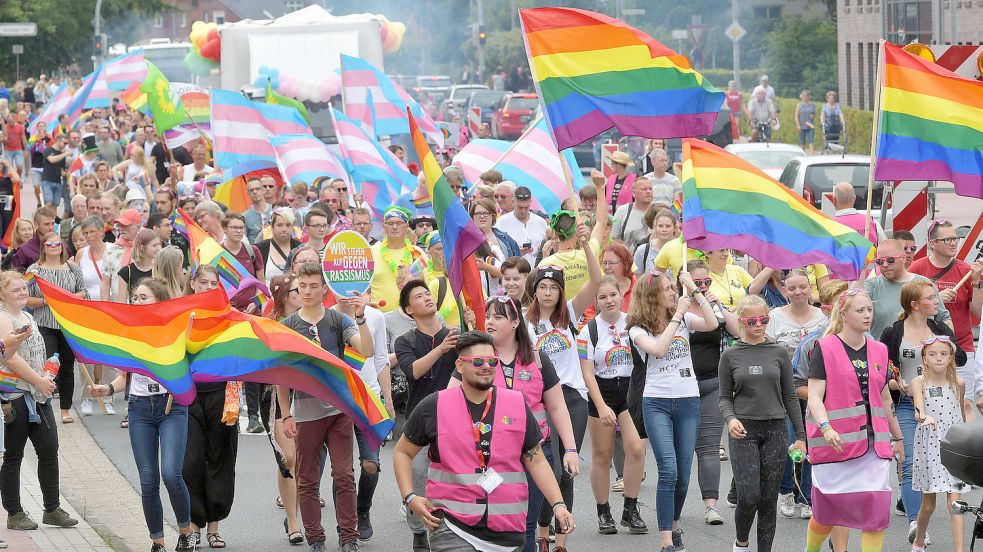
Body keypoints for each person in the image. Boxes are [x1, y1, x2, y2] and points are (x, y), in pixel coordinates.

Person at [394, 330, 575, 552]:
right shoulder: (434, 406)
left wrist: (558, 504)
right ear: (460, 366)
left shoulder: (517, 404)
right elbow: (402, 452)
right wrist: (410, 496)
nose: (486, 366)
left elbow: (535, 460)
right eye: (478, 361)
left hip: (508, 530)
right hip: (452, 524)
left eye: (492, 361)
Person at [450, 296, 581, 551]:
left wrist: (571, 449)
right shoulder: (477, 359)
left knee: (526, 526)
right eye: (488, 316)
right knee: (494, 526)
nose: (489, 322)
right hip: (489, 458)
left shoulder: (537, 358)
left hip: (535, 454)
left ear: (514, 322)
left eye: (498, 317)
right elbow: (450, 403)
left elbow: (556, 406)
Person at [89, 278, 196, 552]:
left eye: (143, 297)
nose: (136, 301)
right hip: (139, 409)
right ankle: (157, 541)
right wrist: (108, 388)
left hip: (171, 407)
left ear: (159, 301)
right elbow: (124, 377)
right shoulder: (130, 334)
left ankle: (186, 532)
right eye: (135, 297)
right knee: (148, 480)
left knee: (171, 474)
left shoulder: (175, 331)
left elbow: (191, 365)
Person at [279, 262, 373, 552]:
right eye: (301, 286)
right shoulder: (289, 326)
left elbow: (366, 350)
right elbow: (281, 376)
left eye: (312, 286)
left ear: (324, 289)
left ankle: (349, 537)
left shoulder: (337, 320)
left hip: (339, 410)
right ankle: (315, 539)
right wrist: (286, 414)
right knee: (307, 480)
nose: (306, 291)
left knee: (344, 475)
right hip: (305, 413)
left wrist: (360, 317)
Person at [804, 289, 905, 552]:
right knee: (827, 515)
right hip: (835, 445)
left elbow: (884, 399)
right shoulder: (824, 348)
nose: (867, 315)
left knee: (875, 511)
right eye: (860, 310)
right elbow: (815, 397)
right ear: (844, 314)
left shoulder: (880, 350)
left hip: (874, 445)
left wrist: (898, 438)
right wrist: (826, 429)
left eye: (869, 309)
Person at [627, 271, 718, 552]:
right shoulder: (637, 328)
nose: (672, 293)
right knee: (668, 470)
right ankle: (666, 538)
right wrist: (678, 315)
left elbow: (713, 323)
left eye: (673, 288)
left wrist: (695, 291)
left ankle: (675, 523)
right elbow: (659, 349)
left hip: (688, 399)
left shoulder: (685, 318)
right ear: (652, 294)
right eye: (667, 289)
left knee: (683, 475)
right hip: (657, 402)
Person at [877, 279, 963, 544]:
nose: (937, 301)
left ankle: (920, 516)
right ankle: (915, 522)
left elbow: (959, 360)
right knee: (911, 461)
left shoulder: (938, 327)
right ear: (915, 304)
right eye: (931, 298)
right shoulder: (894, 332)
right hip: (907, 401)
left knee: (945, 463)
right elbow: (883, 371)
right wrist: (896, 383)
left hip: (940, 404)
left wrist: (946, 346)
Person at [527, 243, 601, 551]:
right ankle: (542, 529)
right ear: (535, 291)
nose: (547, 293)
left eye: (553, 288)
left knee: (568, 471)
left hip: (573, 398)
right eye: (542, 287)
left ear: (560, 292)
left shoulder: (568, 314)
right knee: (551, 469)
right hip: (542, 400)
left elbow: (596, 280)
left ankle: (560, 541)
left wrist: (585, 244)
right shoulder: (524, 321)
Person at [719, 294, 807, 552]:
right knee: (748, 496)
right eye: (752, 320)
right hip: (743, 429)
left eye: (764, 319)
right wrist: (730, 418)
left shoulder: (778, 351)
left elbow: (790, 396)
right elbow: (724, 397)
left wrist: (800, 436)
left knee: (768, 499)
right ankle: (741, 542)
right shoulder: (730, 355)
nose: (759, 325)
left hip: (775, 428)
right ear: (741, 321)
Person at [0, 271, 77, 532]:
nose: (22, 293)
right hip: (16, 396)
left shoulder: (29, 316)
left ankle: (52, 508)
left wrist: (47, 374)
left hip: (38, 394)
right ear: (2, 295)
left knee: (49, 449)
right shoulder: (3, 318)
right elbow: (10, 357)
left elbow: (37, 353)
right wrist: (38, 380)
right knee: (14, 455)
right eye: (15, 290)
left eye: (24, 289)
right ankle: (15, 512)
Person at [393, 279, 461, 551]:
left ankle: (453, 533)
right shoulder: (404, 341)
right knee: (418, 479)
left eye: (427, 294)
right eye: (418, 297)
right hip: (420, 421)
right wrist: (442, 348)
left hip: (456, 419)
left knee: (456, 480)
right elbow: (413, 371)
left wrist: (472, 325)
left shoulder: (457, 334)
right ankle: (418, 531)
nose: (426, 298)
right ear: (409, 310)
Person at [578, 276, 648, 535]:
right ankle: (603, 511)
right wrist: (601, 405)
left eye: (613, 295)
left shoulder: (633, 323)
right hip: (602, 391)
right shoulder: (589, 330)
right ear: (595, 302)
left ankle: (630, 509)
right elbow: (587, 373)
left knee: (636, 449)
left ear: (621, 294)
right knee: (602, 456)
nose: (609, 301)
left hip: (630, 391)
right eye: (602, 297)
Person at [764, 270, 827, 520]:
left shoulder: (822, 319)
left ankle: (806, 497)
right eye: (792, 288)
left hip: (814, 387)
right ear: (784, 291)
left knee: (813, 440)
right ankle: (786, 490)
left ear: (811, 288)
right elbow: (766, 350)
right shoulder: (775, 317)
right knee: (790, 441)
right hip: (783, 388)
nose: (798, 292)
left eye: (802, 287)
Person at [183, 266, 237, 549]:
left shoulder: (226, 315)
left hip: (221, 395)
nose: (206, 286)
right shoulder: (181, 314)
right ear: (192, 283)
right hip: (189, 396)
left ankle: (214, 527)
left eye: (212, 283)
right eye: (202, 282)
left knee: (220, 458)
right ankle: (193, 526)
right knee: (190, 461)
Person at [683, 260, 740, 526]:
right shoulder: (676, 308)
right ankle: (673, 507)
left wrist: (717, 305)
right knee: (680, 451)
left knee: (708, 448)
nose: (703, 287)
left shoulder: (713, 307)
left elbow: (737, 331)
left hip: (712, 383)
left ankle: (710, 507)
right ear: (685, 281)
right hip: (681, 387)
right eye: (698, 282)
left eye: (707, 282)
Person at [909, 219, 983, 421]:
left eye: (955, 238)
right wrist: (936, 300)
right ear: (932, 243)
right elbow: (907, 307)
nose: (953, 243)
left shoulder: (965, 270)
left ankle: (965, 450)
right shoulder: (917, 269)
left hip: (961, 346)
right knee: (931, 404)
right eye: (947, 239)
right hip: (927, 347)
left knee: (965, 402)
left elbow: (976, 311)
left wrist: (976, 282)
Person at [910, 336, 968, 552]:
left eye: (943, 354)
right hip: (930, 444)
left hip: (954, 445)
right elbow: (918, 409)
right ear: (924, 358)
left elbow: (961, 414)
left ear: (951, 358)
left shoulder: (958, 383)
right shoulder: (919, 382)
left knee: (956, 503)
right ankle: (918, 541)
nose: (938, 358)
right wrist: (924, 417)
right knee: (928, 505)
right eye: (932, 354)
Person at [25, 233, 87, 424]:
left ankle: (65, 410)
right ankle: (44, 406)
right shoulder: (34, 270)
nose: (53, 246)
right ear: (43, 247)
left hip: (68, 325)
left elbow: (84, 291)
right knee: (47, 367)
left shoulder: (72, 267)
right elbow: (25, 298)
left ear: (62, 246)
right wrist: (47, 301)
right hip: (45, 325)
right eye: (49, 243)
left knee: (67, 368)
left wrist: (68, 299)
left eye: (57, 243)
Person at [267, 273, 305, 546]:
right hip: (275, 397)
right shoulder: (270, 325)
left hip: (307, 396)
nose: (304, 292)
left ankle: (301, 514)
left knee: (303, 460)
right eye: (297, 289)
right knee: (288, 459)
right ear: (285, 295)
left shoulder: (311, 321)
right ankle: (293, 521)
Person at [864, 239, 950, 340]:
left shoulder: (923, 284)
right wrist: (862, 269)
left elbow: (944, 319)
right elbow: (851, 308)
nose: (885, 265)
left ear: (904, 258)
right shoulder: (872, 285)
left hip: (921, 352)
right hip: (884, 353)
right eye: (879, 261)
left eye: (890, 260)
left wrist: (947, 346)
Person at [369, 207, 423, 313]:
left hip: (413, 316)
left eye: (399, 223)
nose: (394, 227)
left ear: (407, 225)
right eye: (390, 223)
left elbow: (426, 286)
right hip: (381, 316)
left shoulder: (417, 253)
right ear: (384, 226)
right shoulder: (371, 252)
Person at [495, 186, 548, 267]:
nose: (523, 211)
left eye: (526, 207)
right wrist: (515, 252)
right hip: (513, 272)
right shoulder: (501, 223)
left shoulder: (541, 222)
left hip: (537, 272)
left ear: (530, 202)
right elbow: (497, 251)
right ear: (513, 202)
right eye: (520, 207)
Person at [117, 228, 161, 304]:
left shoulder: (160, 268)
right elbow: (122, 303)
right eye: (154, 245)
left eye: (159, 244)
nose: (159, 248)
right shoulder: (126, 272)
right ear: (142, 247)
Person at [257, 208, 301, 284]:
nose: (284, 229)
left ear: (292, 227)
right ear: (272, 227)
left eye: (288, 225)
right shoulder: (260, 249)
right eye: (279, 225)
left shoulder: (299, 248)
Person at [611, 178, 653, 253]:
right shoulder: (622, 211)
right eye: (644, 189)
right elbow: (614, 239)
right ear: (633, 193)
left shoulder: (659, 211)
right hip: (628, 260)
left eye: (650, 189)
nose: (648, 191)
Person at [221, 213, 265, 283]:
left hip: (252, 293)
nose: (239, 231)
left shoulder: (253, 251)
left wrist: (256, 294)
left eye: (241, 228)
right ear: (225, 229)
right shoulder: (219, 252)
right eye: (234, 227)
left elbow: (261, 283)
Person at [634, 208, 677, 276]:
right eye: (660, 226)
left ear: (674, 228)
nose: (664, 229)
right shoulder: (643, 250)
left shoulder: (682, 249)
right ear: (655, 227)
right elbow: (637, 278)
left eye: (668, 226)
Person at [601, 242, 636, 311]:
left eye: (611, 263)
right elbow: (588, 315)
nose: (607, 267)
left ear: (625, 263)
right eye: (604, 263)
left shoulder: (638, 289)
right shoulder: (597, 289)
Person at [41, 134, 70, 210]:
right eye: (65, 143)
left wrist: (66, 172)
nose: (65, 145)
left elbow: (62, 170)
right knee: (48, 202)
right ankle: (43, 218)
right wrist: (65, 154)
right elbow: (51, 160)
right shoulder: (48, 150)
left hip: (57, 181)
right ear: (58, 141)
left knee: (55, 204)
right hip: (47, 180)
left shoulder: (62, 154)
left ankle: (52, 221)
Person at [243, 177, 272, 244]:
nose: (255, 192)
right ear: (248, 194)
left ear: (263, 190)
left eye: (257, 189)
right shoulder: (245, 217)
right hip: (256, 251)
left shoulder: (274, 210)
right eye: (251, 190)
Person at [795, 90, 817, 155]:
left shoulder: (812, 105)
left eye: (807, 96)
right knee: (802, 142)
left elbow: (814, 114)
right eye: (804, 96)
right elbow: (796, 116)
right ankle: (803, 156)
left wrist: (813, 116)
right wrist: (798, 125)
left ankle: (812, 157)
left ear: (809, 97)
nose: (805, 97)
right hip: (802, 125)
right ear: (801, 96)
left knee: (811, 141)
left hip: (810, 125)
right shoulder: (799, 105)